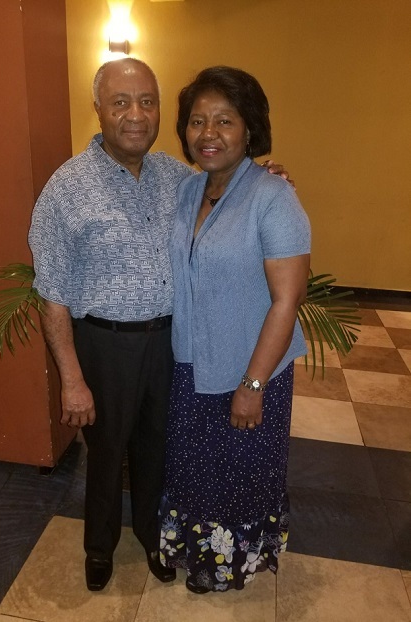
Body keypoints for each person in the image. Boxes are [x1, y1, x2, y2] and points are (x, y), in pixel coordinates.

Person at [28, 58, 290, 592]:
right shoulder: (66, 189)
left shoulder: (178, 178)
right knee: (106, 453)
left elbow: (230, 193)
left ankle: (155, 537)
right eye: (121, 102)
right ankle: (99, 546)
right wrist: (72, 379)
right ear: (98, 109)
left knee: (157, 449)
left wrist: (269, 178)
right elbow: (51, 295)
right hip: (104, 344)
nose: (135, 115)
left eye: (147, 102)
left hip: (170, 341)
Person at [159, 66, 311, 594]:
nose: (209, 133)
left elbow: (288, 299)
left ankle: (230, 566)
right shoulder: (187, 190)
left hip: (250, 368)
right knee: (195, 473)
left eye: (224, 120)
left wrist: (253, 384)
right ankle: (196, 555)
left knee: (240, 477)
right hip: (191, 364)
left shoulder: (273, 197)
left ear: (249, 129)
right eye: (197, 120)